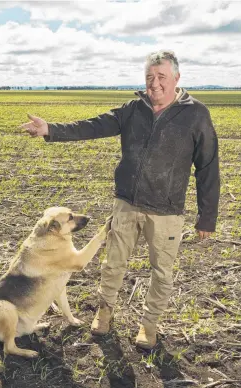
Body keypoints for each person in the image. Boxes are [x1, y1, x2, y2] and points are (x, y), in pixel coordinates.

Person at [20, 50, 220, 350]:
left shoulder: (196, 115)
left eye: (161, 77)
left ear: (176, 78)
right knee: (113, 265)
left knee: (161, 273)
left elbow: (208, 166)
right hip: (127, 204)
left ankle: (149, 325)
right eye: (149, 78)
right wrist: (51, 130)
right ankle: (104, 312)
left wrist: (207, 217)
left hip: (167, 212)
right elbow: (95, 125)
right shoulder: (133, 109)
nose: (154, 84)